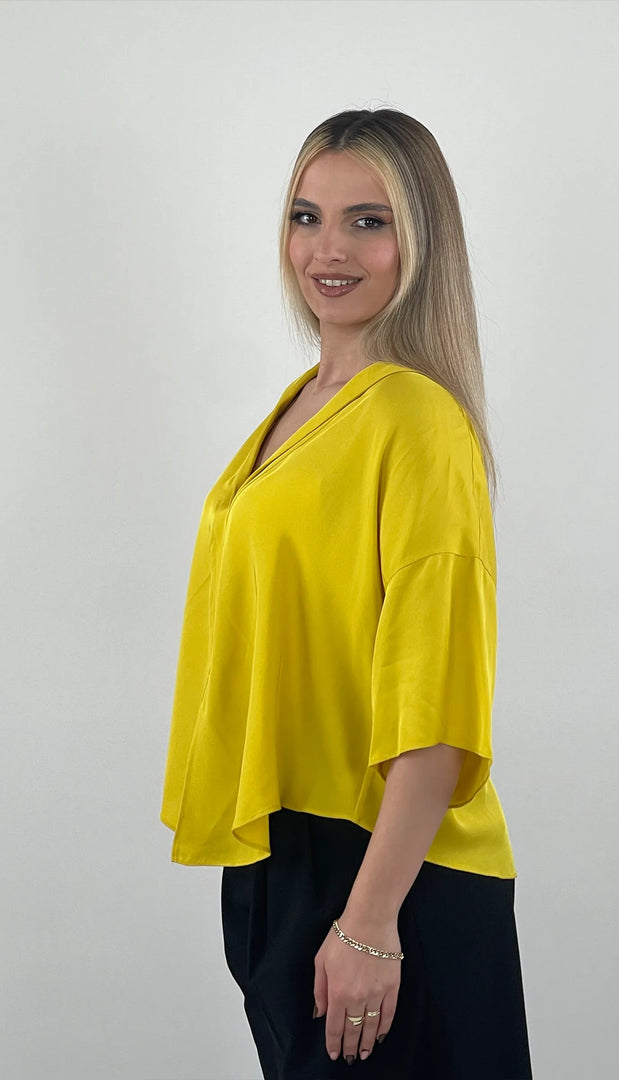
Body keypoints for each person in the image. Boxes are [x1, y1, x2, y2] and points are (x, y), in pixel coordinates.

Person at [160, 107, 533, 1079]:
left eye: (369, 221)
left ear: (421, 240)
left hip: (387, 872)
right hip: (292, 856)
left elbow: (437, 697)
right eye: (306, 216)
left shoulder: (417, 419)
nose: (328, 250)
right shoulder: (301, 403)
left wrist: (369, 921)